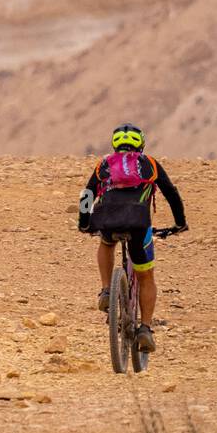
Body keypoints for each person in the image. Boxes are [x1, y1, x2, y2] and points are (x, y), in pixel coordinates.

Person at [77, 123, 187, 353]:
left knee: (106, 243)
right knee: (146, 276)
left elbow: (87, 194)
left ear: (114, 144)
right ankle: (145, 329)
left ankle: (107, 289)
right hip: (139, 224)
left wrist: (84, 223)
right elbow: (171, 193)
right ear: (141, 145)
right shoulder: (150, 164)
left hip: (108, 219)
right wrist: (179, 223)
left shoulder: (104, 164)